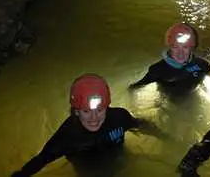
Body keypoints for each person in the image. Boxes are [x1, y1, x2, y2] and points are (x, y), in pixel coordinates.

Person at [11, 73, 166, 177]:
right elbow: (40, 161)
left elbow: (141, 125)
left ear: (107, 107)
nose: (94, 118)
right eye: (86, 111)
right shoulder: (67, 137)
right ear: (76, 112)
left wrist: (167, 138)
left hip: (123, 165)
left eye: (100, 110)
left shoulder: (119, 117)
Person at [128, 22, 210, 96]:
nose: (180, 53)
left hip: (194, 96)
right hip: (167, 100)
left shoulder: (202, 64)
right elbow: (134, 88)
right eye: (175, 47)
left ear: (192, 47)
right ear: (169, 47)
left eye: (185, 47)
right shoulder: (157, 69)